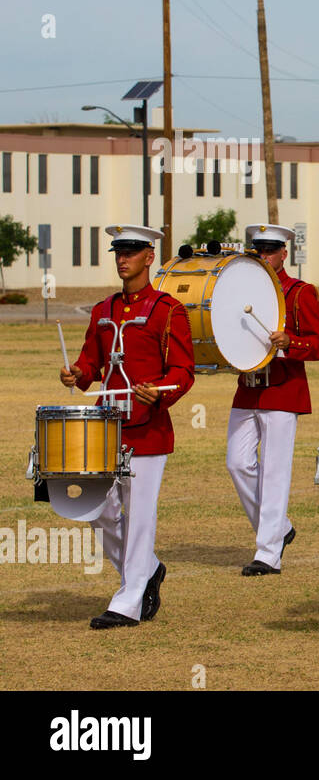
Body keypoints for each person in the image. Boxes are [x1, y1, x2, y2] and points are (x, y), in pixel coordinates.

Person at [60, 225, 195, 629]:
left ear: (149, 257)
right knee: (96, 508)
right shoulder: (103, 311)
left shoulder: (168, 310)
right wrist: (76, 374)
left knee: (139, 516)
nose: (123, 259)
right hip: (106, 425)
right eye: (118, 252)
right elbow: (90, 363)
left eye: (131, 252)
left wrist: (162, 394)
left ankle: (129, 599)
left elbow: (183, 370)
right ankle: (147, 570)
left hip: (147, 427)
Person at [225, 224, 319, 576]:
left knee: (273, 472)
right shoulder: (240, 289)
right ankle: (279, 527)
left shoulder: (300, 292)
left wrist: (291, 343)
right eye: (258, 251)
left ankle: (268, 553)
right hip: (248, 388)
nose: (263, 257)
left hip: (283, 389)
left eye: (270, 251)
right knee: (237, 463)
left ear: (284, 254)